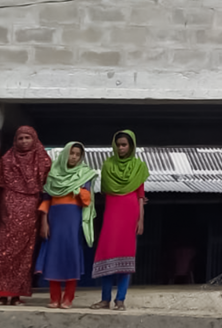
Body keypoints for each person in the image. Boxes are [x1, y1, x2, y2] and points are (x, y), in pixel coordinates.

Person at [0, 126, 52, 305]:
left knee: (23, 255)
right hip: (6, 212)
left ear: (34, 139)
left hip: (29, 213)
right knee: (0, 251)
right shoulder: (6, 159)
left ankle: (15, 295)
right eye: (20, 138)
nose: (24, 141)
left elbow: (50, 186)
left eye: (27, 138)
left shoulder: (43, 159)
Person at [91, 130, 149, 311]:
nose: (121, 148)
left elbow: (140, 195)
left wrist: (141, 220)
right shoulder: (107, 165)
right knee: (108, 253)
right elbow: (105, 191)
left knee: (126, 255)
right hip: (112, 214)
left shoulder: (139, 166)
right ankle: (105, 299)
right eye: (118, 144)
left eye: (124, 144)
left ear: (131, 146)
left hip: (131, 213)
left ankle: (120, 300)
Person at [34, 142, 98, 309]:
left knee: (72, 255)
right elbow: (46, 200)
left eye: (77, 154)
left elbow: (87, 200)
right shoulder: (53, 175)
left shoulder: (84, 174)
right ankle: (54, 298)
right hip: (54, 219)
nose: (74, 157)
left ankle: (68, 298)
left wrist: (77, 190)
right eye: (71, 153)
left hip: (73, 220)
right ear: (64, 155)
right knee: (53, 255)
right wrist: (44, 222)